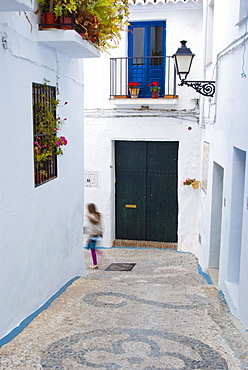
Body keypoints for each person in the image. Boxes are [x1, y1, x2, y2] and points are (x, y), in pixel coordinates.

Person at [84, 203, 103, 269]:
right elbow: (99, 225)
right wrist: (100, 232)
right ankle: (100, 253)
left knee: (91, 249)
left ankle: (95, 264)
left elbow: (93, 225)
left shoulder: (91, 216)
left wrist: (88, 217)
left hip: (92, 235)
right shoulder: (98, 215)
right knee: (90, 247)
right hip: (96, 235)